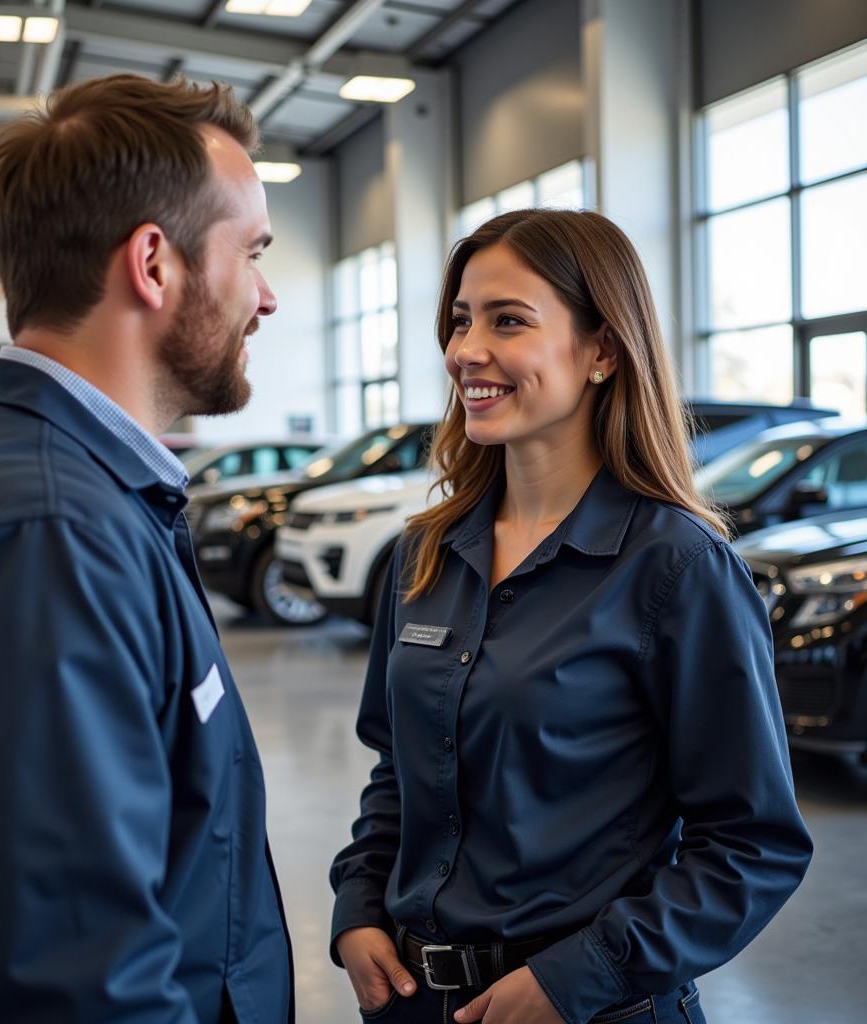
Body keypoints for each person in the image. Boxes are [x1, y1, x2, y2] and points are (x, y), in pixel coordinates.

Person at [0, 75, 293, 1022]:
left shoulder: (32, 486)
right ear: (153, 264)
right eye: (250, 254)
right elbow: (77, 989)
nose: (267, 296)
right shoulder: (44, 537)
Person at [329, 209, 813, 1024]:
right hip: (410, 1001)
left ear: (602, 351)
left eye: (507, 320)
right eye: (459, 321)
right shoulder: (425, 554)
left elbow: (751, 846)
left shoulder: (679, 567)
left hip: (591, 1009)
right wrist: (359, 906)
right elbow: (398, 771)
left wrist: (579, 976)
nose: (465, 351)